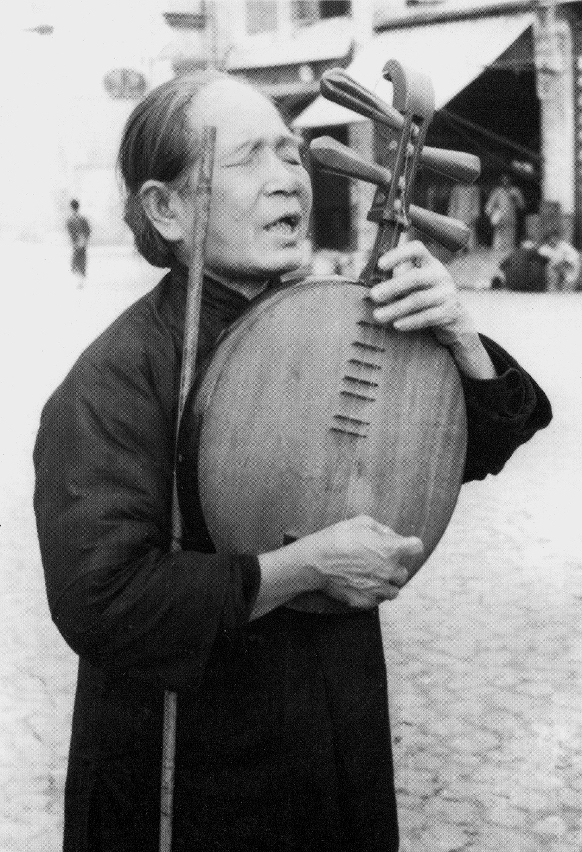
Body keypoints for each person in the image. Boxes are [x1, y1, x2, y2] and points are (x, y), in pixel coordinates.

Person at [34, 72, 552, 852]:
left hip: (332, 739)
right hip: (189, 773)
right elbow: (102, 600)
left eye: (289, 153)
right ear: (166, 208)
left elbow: (457, 450)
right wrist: (304, 567)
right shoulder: (117, 376)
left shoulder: (331, 316)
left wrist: (458, 337)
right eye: (248, 158)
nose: (287, 179)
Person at [485, 173, 525, 253]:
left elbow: (522, 205)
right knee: (498, 235)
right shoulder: (497, 191)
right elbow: (490, 203)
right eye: (503, 180)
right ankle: (497, 253)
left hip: (511, 217)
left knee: (510, 235)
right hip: (499, 217)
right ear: (501, 182)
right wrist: (489, 213)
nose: (505, 182)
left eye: (507, 180)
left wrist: (515, 199)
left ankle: (508, 252)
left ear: (510, 181)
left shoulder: (515, 191)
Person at [66, 198, 91, 285]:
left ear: (71, 207)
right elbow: (88, 231)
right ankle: (80, 280)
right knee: (81, 261)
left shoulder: (70, 220)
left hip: (76, 242)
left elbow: (70, 232)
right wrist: (84, 239)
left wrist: (75, 240)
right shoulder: (82, 219)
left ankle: (78, 281)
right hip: (82, 241)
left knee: (76, 261)